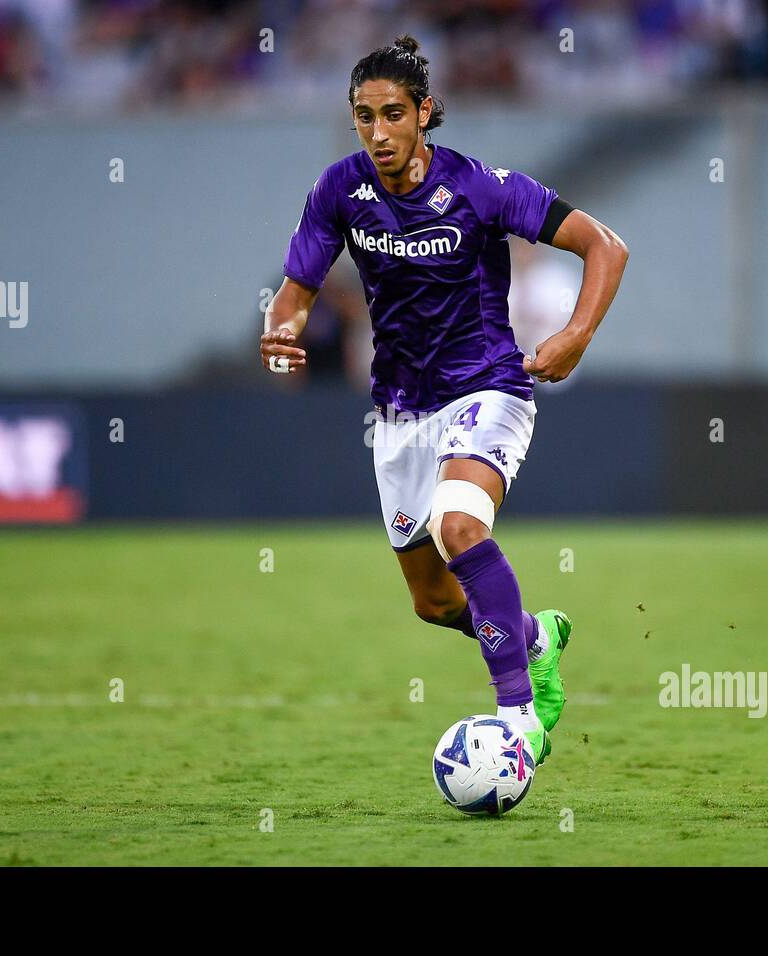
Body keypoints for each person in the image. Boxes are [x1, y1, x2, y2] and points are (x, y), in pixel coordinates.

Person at [259, 36, 627, 767]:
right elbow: (295, 294)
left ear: (425, 113)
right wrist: (281, 330)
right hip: (398, 414)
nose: (379, 132)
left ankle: (519, 719)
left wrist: (576, 334)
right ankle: (531, 636)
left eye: (393, 114)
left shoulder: (481, 188)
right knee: (432, 602)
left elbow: (604, 246)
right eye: (364, 116)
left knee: (459, 526)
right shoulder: (338, 190)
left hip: (488, 387)